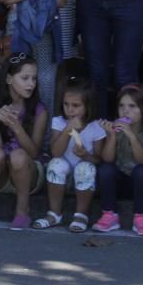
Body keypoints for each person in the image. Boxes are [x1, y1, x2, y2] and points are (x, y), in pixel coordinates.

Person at [0, 53, 47, 230]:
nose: (31, 84)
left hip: (29, 171)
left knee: (18, 155)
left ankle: (22, 211)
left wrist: (16, 127)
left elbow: (34, 152)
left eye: (34, 79)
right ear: (8, 79)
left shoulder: (39, 110)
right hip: (2, 174)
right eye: (25, 78)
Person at [94, 83, 143, 235]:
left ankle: (141, 218)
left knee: (142, 171)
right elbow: (107, 159)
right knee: (105, 169)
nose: (125, 110)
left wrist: (131, 135)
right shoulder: (117, 129)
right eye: (122, 106)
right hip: (122, 183)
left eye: (132, 106)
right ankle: (110, 215)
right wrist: (111, 136)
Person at [42, 76, 105, 232]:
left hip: (85, 178)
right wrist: (68, 130)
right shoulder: (59, 122)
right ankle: (55, 213)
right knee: (55, 164)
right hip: (62, 175)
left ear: (88, 106)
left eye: (76, 105)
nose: (70, 110)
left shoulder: (96, 127)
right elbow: (55, 152)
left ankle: (81, 214)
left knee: (85, 167)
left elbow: (98, 159)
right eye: (66, 104)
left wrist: (85, 155)